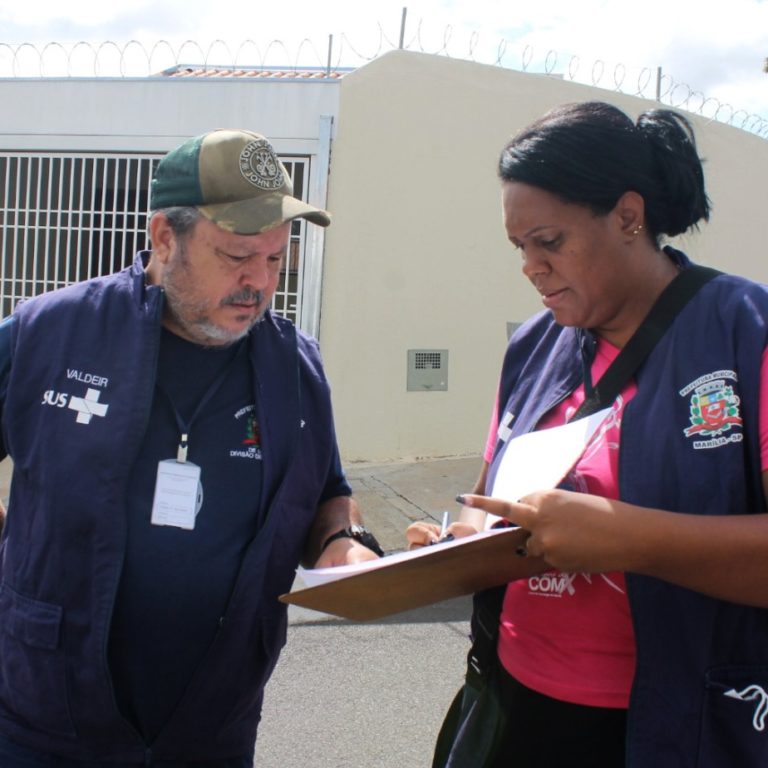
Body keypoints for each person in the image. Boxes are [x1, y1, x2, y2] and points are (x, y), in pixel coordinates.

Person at [0, 128, 384, 767]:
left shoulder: (295, 367)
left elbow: (329, 494)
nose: (257, 282)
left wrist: (343, 544)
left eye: (274, 259)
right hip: (46, 719)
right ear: (163, 237)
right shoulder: (50, 335)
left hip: (212, 726)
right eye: (236, 255)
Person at [408, 101, 768, 767]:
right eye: (519, 247)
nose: (530, 267)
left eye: (549, 241)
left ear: (630, 217)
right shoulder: (533, 347)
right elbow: (489, 496)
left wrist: (626, 538)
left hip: (677, 723)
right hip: (518, 703)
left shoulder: (744, 331)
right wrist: (454, 541)